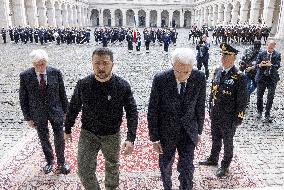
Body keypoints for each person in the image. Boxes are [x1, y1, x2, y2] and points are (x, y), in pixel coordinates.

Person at [64, 47, 138, 190]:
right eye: (97, 63)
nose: (101, 67)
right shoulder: (83, 84)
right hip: (88, 134)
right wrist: (67, 128)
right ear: (92, 63)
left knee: (112, 166)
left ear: (112, 64)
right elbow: (74, 107)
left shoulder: (122, 86)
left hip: (112, 135)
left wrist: (131, 138)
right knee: (84, 170)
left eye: (105, 63)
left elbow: (132, 112)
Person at [148, 48, 206, 190]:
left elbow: (200, 106)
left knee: (187, 168)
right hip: (166, 132)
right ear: (172, 65)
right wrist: (154, 138)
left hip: (188, 131)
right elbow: (153, 110)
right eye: (178, 71)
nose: (182, 76)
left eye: (186, 72)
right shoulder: (161, 79)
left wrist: (199, 132)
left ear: (192, 67)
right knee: (165, 166)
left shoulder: (199, 78)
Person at [199, 43, 248, 177]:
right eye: (222, 55)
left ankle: (225, 165)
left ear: (234, 57)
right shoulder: (218, 71)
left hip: (229, 116)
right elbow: (213, 91)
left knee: (227, 141)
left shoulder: (239, 77)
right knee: (215, 138)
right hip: (216, 113)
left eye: (227, 55)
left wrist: (239, 117)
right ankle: (213, 158)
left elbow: (243, 100)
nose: (223, 58)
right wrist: (210, 108)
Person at [19, 49, 70, 174]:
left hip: (56, 110)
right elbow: (23, 98)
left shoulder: (56, 72)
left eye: (42, 63)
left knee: (59, 137)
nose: (40, 67)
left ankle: (61, 162)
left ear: (46, 62)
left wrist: (66, 112)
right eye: (37, 64)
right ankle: (49, 161)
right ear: (33, 64)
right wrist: (28, 118)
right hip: (37, 113)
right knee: (43, 138)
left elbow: (62, 93)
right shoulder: (25, 76)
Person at [255, 40, 281, 123]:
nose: (270, 49)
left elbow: (277, 65)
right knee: (259, 96)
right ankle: (259, 111)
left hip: (272, 79)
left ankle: (267, 113)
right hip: (262, 78)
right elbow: (256, 65)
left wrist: (271, 65)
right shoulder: (261, 54)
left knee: (270, 96)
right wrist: (260, 65)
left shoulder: (277, 54)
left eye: (272, 47)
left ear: (274, 47)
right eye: (269, 47)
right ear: (267, 45)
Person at [239, 40, 262, 104]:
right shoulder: (247, 50)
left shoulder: (262, 52)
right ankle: (246, 99)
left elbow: (262, 63)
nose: (257, 47)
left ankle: (246, 95)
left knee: (255, 85)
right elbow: (241, 58)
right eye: (256, 45)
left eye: (258, 46)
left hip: (256, 72)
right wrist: (241, 63)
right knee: (247, 85)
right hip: (247, 71)